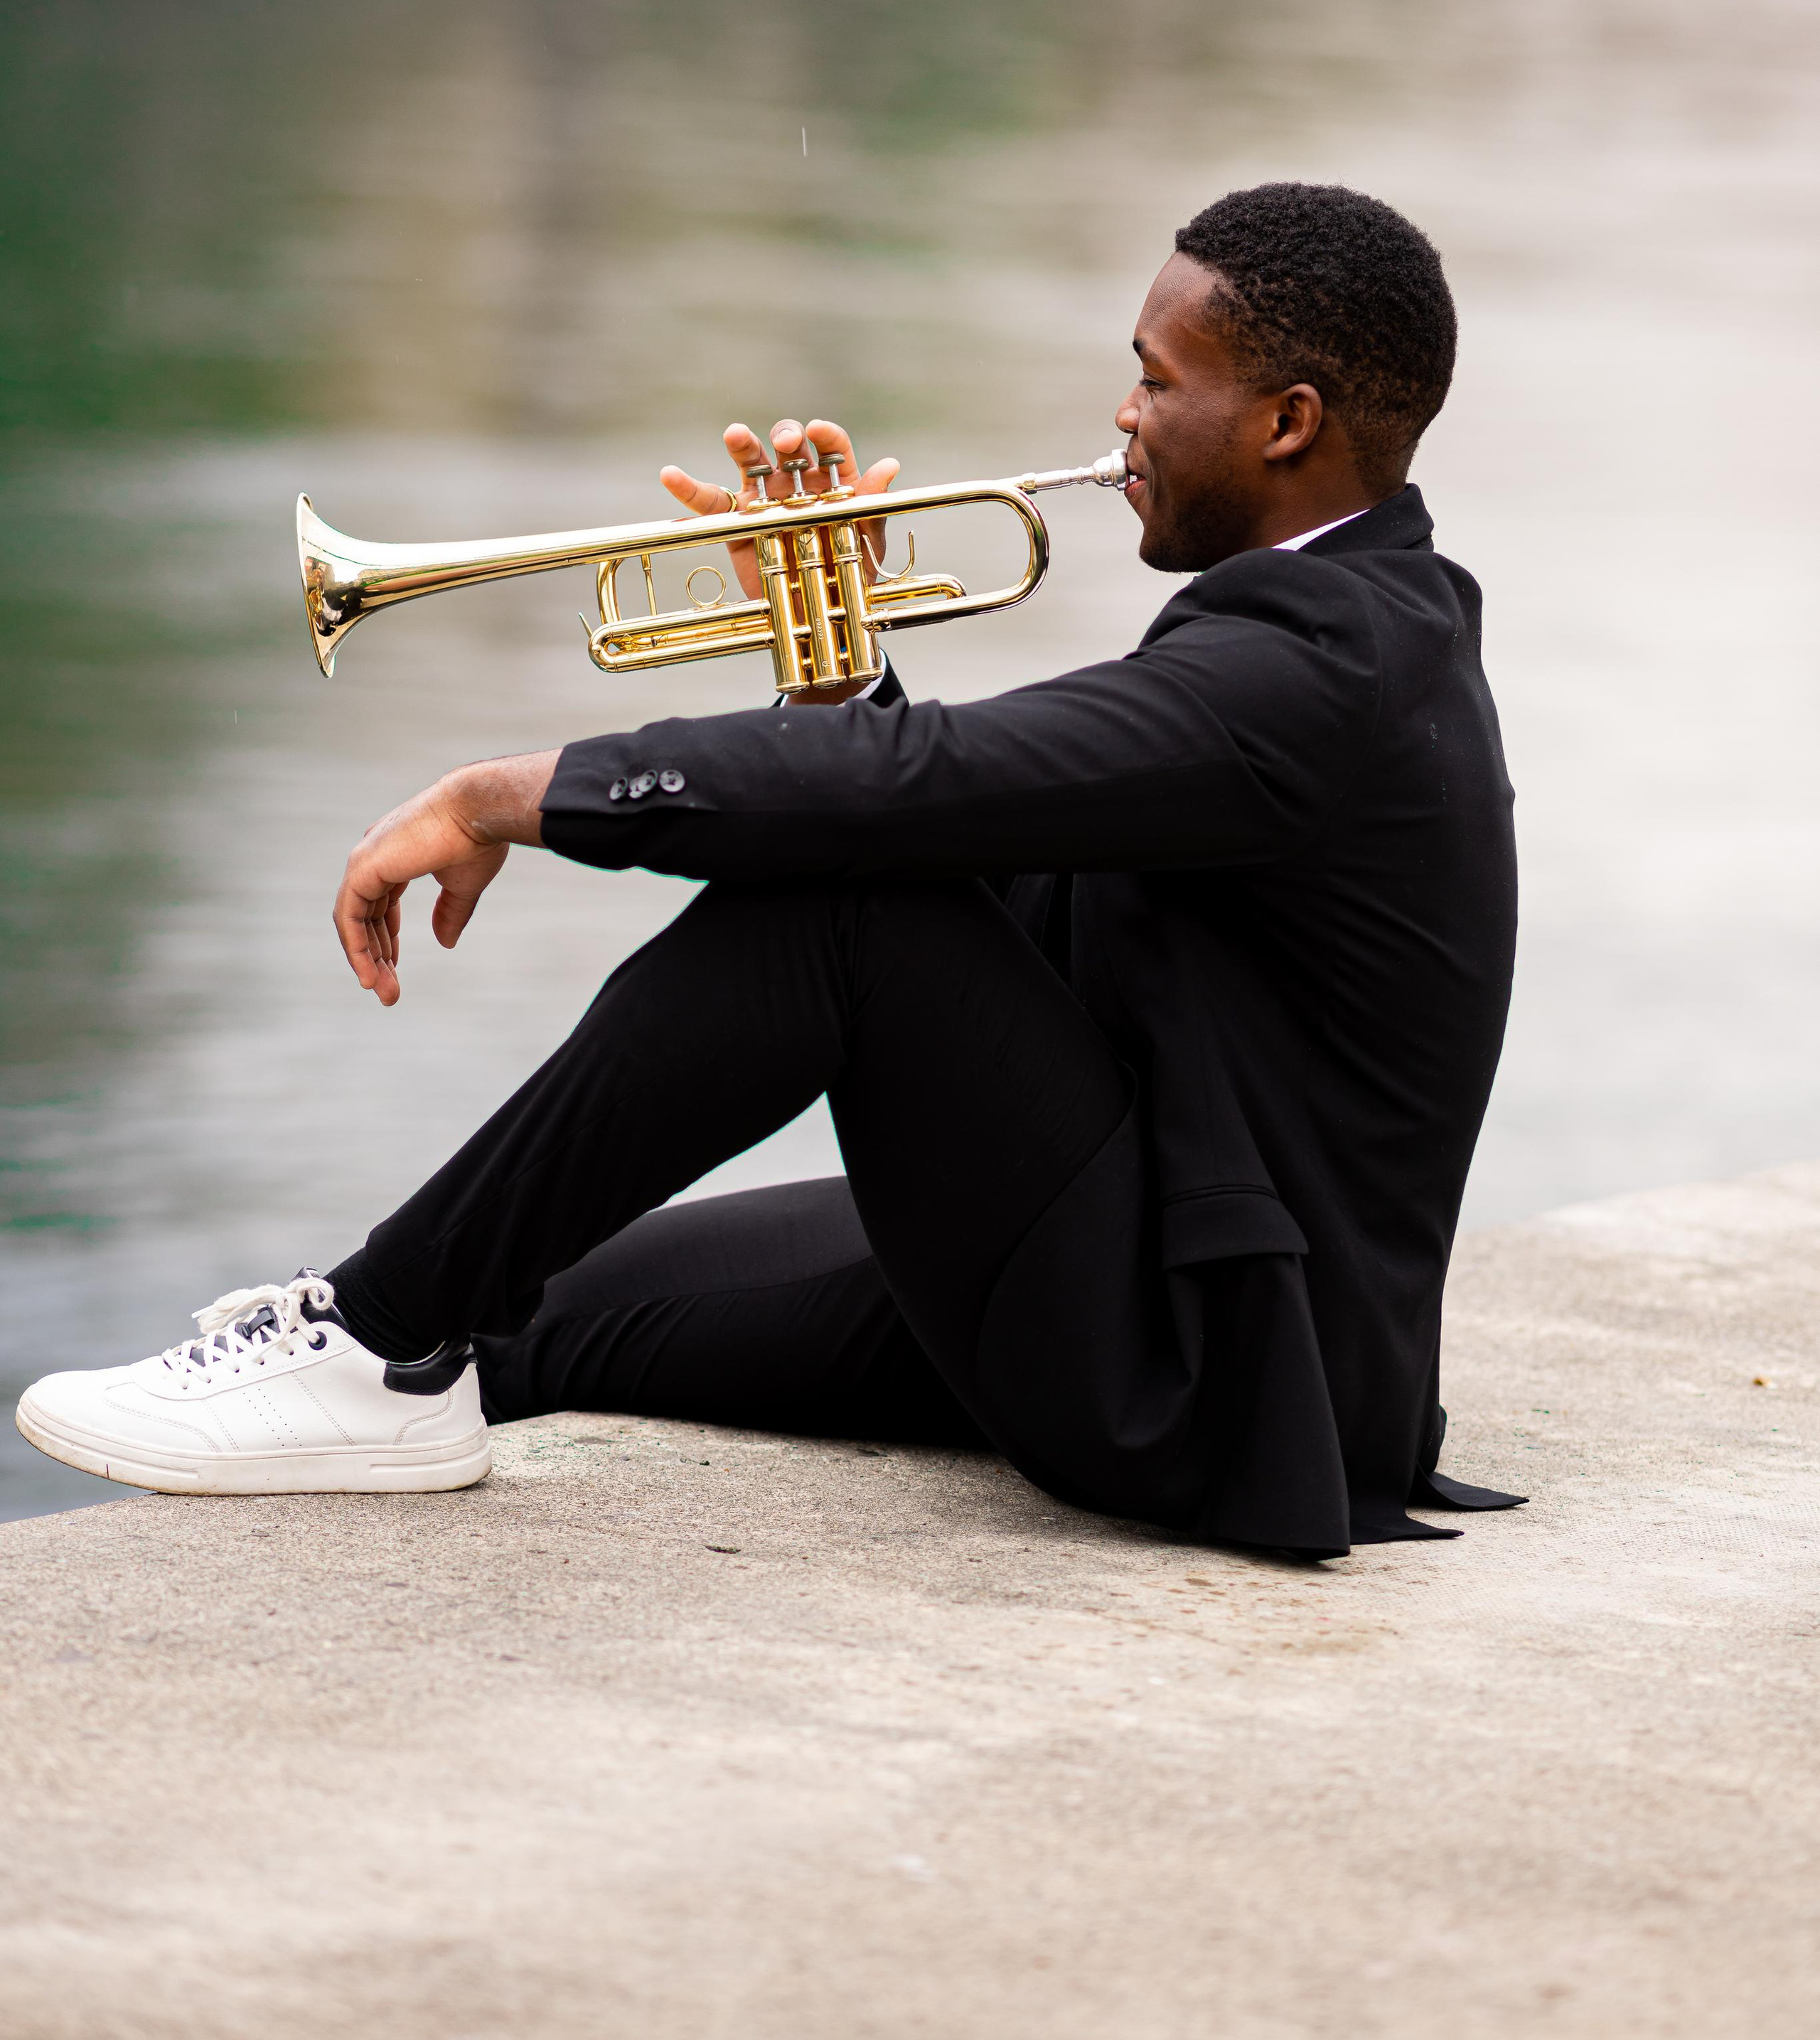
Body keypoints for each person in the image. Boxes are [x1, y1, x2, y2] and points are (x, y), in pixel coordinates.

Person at [17, 182, 1522, 1557]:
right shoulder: (1335, 621)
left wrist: (511, 796)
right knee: (529, 1321)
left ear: (1285, 421)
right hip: (1163, 1251)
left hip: (1220, 1373)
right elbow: (1000, 870)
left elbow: (904, 809)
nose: (1121, 416)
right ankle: (388, 1346)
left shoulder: (1324, 670)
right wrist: (831, 676)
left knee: (841, 900)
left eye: (1152, 377)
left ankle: (368, 1335)